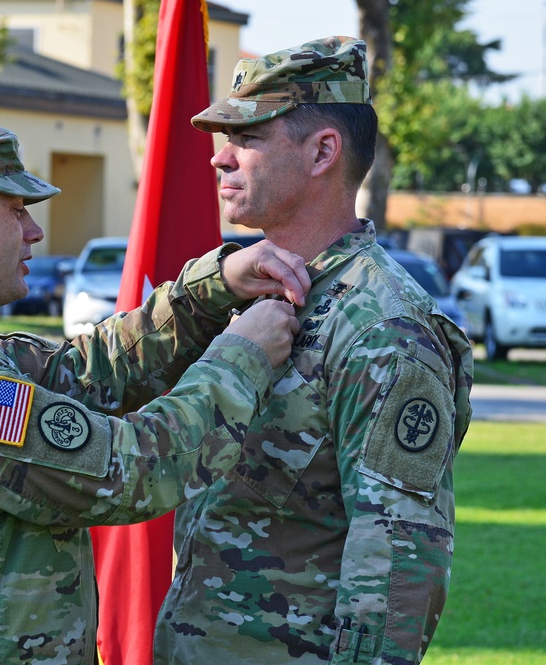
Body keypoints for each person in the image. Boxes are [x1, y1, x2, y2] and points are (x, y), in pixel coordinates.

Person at [0, 121, 311, 664]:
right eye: (16, 210)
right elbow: (135, 469)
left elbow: (84, 372)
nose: (34, 231)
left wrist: (212, 287)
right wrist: (242, 357)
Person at [153, 36, 474, 664]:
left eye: (247, 140)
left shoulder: (384, 324)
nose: (221, 160)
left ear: (323, 151)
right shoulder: (250, 289)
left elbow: (396, 564)